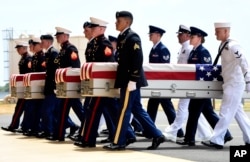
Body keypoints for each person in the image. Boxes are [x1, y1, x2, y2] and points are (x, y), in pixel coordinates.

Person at [103, 11, 165, 150]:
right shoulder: (123, 36)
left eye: (118, 21)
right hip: (127, 79)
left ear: (126, 22)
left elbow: (138, 59)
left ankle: (119, 142)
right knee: (137, 109)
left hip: (131, 80)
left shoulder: (132, 37)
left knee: (124, 110)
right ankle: (157, 135)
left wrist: (133, 80)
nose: (115, 23)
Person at [176, 26, 233, 146]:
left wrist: (203, 87)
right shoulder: (193, 51)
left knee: (194, 111)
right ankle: (225, 134)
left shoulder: (203, 52)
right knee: (207, 112)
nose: (190, 38)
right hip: (197, 88)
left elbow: (207, 71)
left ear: (199, 38)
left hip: (202, 88)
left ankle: (189, 139)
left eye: (192, 36)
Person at [202, 22, 250, 149]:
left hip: (234, 83)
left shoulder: (233, 45)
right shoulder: (224, 44)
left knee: (225, 111)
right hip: (229, 82)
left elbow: (243, 61)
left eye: (217, 31)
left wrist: (248, 80)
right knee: (238, 113)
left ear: (226, 31)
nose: (215, 34)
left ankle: (217, 139)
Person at [74, 17, 118, 148]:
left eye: (93, 28)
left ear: (102, 29)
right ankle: (125, 135)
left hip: (101, 85)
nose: (91, 30)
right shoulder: (92, 44)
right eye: (91, 28)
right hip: (94, 84)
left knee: (94, 110)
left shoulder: (105, 44)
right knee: (109, 111)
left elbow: (108, 66)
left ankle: (89, 139)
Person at [163, 25, 212, 142]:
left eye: (180, 34)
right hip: (185, 83)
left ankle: (173, 132)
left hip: (191, 84)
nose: (178, 36)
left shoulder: (190, 49)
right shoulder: (184, 49)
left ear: (186, 35)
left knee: (184, 108)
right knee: (194, 111)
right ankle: (206, 134)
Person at [146, 25, 184, 138]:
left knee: (168, 108)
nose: (150, 36)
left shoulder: (163, 50)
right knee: (152, 106)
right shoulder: (154, 49)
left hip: (162, 85)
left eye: (151, 34)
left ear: (158, 35)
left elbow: (165, 69)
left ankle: (179, 131)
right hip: (155, 84)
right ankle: (149, 130)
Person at [49, 26, 83, 141]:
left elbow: (75, 67)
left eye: (59, 36)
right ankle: (59, 134)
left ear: (65, 36)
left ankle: (88, 128)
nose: (57, 38)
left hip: (70, 85)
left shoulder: (70, 49)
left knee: (74, 110)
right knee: (63, 110)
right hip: (64, 85)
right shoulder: (63, 50)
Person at [1, 41, 32, 133]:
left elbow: (29, 74)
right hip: (23, 86)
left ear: (24, 48)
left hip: (26, 87)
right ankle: (21, 126)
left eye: (19, 48)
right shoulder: (24, 58)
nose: (18, 50)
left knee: (21, 107)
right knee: (23, 107)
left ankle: (15, 126)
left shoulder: (28, 58)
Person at [37, 34, 60, 139]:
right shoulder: (49, 53)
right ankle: (48, 130)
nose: (41, 44)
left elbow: (55, 71)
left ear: (48, 42)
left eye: (42, 42)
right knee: (48, 110)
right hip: (49, 86)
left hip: (53, 86)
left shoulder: (54, 53)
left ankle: (49, 131)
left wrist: (55, 86)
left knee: (48, 110)